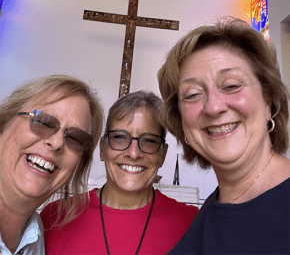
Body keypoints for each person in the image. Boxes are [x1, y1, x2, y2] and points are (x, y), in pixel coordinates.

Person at [158, 17, 290, 254]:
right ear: (181, 122)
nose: (213, 107)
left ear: (268, 101)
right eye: (193, 94)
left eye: (231, 85)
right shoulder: (208, 217)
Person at [41, 90, 199, 255]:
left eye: (149, 141)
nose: (133, 153)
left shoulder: (192, 223)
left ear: (162, 155)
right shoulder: (55, 217)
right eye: (120, 137)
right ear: (102, 148)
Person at [0, 75, 103, 255]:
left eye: (75, 138)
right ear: (4, 125)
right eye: (42, 121)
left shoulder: (35, 237)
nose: (56, 143)